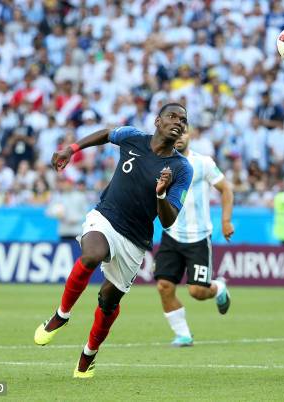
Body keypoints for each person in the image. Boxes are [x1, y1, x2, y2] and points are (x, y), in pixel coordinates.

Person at [33, 103, 193, 378]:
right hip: (105, 217)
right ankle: (62, 314)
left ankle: (88, 355)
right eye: (172, 116)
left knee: (108, 301)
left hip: (135, 240)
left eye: (183, 120)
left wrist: (161, 194)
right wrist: (71, 149)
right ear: (157, 121)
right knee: (91, 255)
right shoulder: (132, 137)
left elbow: (168, 220)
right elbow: (107, 134)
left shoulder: (181, 168)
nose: (178, 122)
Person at [154, 130, 235, 347]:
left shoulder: (203, 163)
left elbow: (226, 189)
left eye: (183, 132)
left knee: (197, 292)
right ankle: (183, 334)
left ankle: (218, 288)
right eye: (175, 133)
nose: (179, 136)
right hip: (171, 234)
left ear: (191, 135)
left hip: (198, 237)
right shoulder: (160, 162)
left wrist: (226, 221)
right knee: (164, 286)